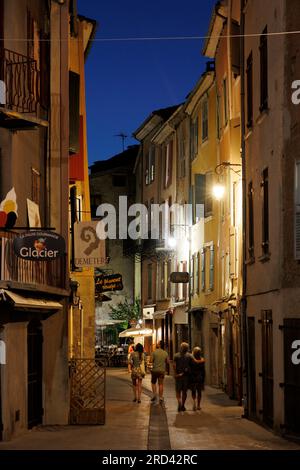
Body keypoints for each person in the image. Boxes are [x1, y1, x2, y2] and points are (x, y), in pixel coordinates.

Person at [173, 342, 193, 412]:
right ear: (187, 348)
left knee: (178, 391)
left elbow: (174, 365)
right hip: (186, 376)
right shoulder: (189, 356)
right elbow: (193, 364)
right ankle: (183, 405)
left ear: (181, 347)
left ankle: (179, 403)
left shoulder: (176, 355)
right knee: (184, 392)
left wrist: (175, 373)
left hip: (178, 376)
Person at [150, 341, 169, 405]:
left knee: (153, 383)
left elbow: (150, 361)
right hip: (162, 371)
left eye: (158, 343)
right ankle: (160, 397)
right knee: (161, 384)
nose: (157, 344)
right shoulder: (165, 353)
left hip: (155, 370)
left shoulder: (154, 352)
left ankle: (154, 395)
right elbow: (168, 362)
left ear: (160, 345)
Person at [190, 346, 205, 411]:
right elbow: (203, 370)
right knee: (199, 392)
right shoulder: (202, 360)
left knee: (193, 391)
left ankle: (194, 403)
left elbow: (189, 368)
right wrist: (203, 378)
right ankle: (198, 405)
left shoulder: (191, 360)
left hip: (193, 377)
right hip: (200, 377)